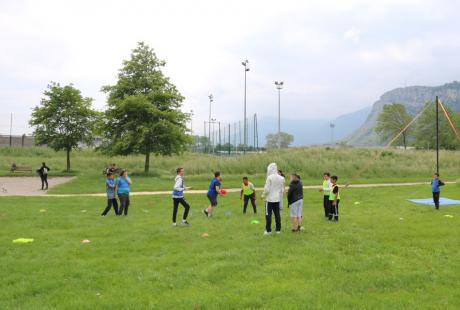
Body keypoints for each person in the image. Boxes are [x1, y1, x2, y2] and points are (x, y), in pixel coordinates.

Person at [262, 163, 285, 235]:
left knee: (268, 215)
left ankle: (268, 231)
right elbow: (282, 190)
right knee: (277, 214)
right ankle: (278, 230)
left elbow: (267, 189)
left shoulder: (269, 178)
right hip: (277, 199)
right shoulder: (282, 178)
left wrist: (263, 195)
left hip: (269, 200)